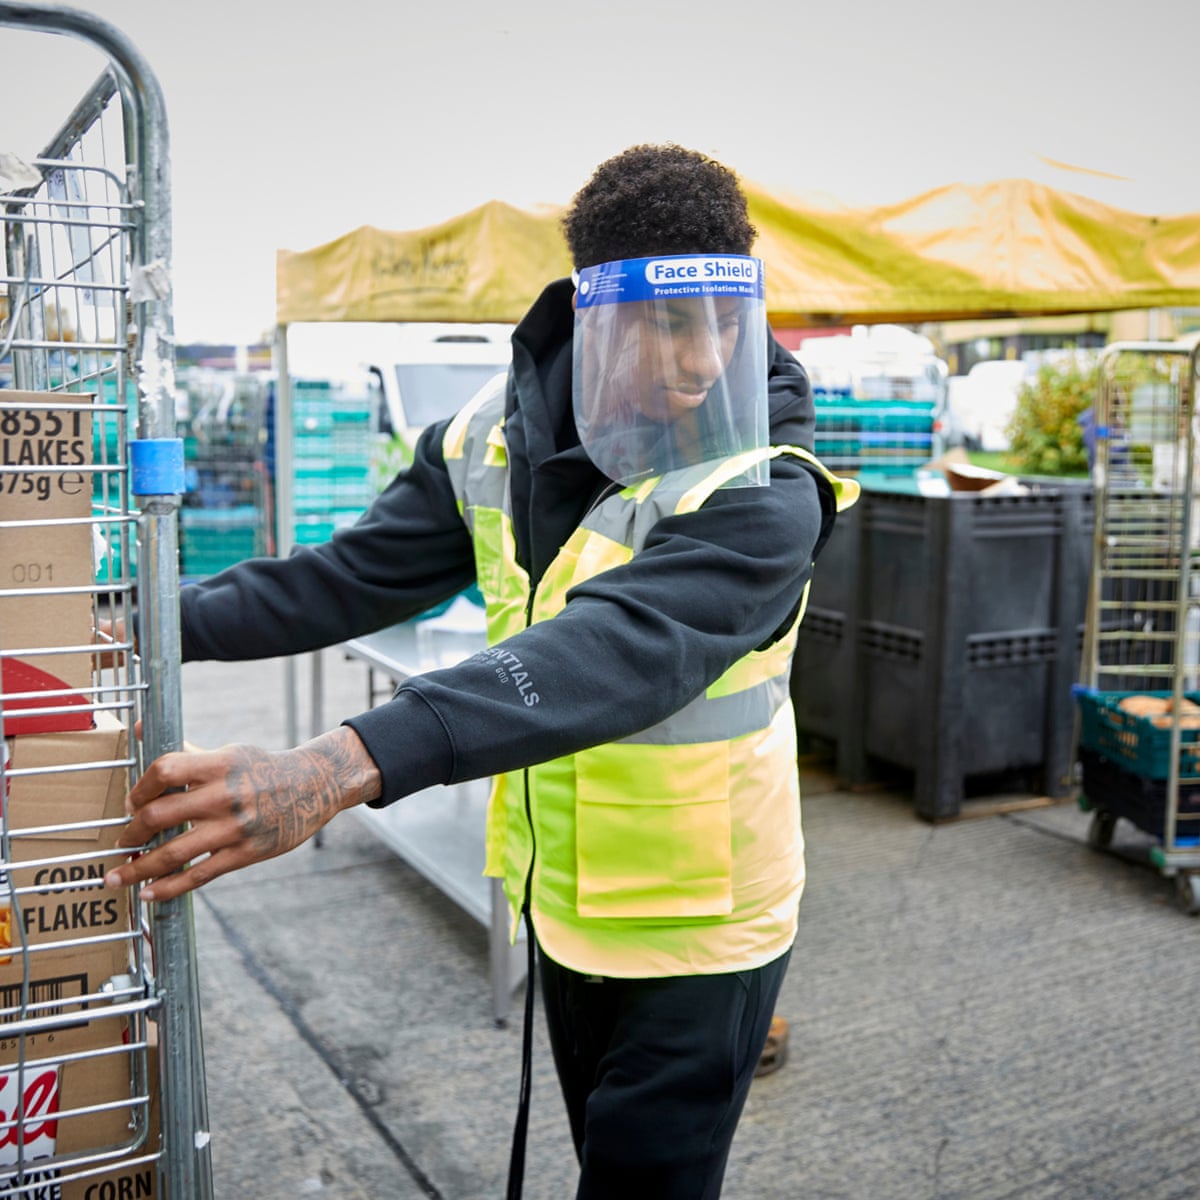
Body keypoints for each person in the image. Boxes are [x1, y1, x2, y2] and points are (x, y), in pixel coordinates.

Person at [104, 143, 857, 1199]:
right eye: (669, 321)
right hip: (565, 905)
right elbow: (346, 579)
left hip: (705, 929)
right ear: (595, 310)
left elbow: (625, 644)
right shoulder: (488, 441)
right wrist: (133, 625)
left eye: (724, 319)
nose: (702, 358)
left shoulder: (767, 483)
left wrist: (343, 762)